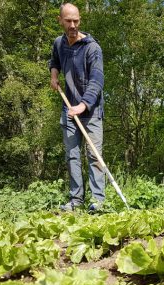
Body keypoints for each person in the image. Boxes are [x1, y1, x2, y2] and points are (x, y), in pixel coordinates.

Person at [49, 3, 105, 212]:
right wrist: (54, 75)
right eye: (68, 21)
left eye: (76, 21)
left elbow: (97, 81)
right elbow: (54, 60)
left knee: (94, 155)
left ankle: (98, 201)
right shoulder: (59, 43)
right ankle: (76, 201)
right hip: (68, 108)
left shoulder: (92, 48)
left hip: (91, 111)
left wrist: (82, 105)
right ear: (60, 20)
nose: (73, 25)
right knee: (72, 155)